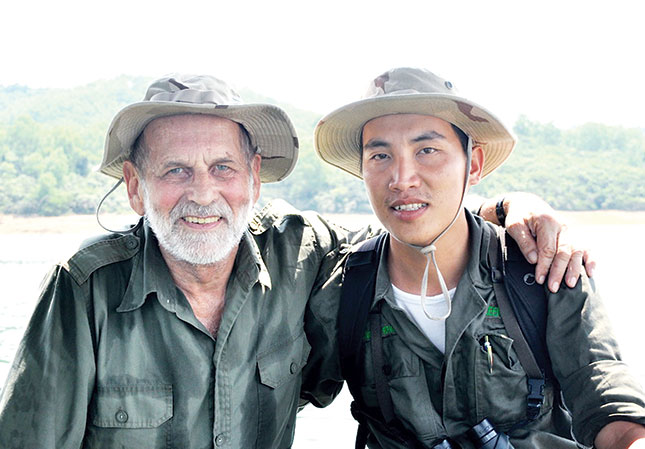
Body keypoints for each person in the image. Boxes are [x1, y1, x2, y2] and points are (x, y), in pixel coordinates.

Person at [0, 73, 591, 449]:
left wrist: (514, 207)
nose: (203, 193)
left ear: (254, 178)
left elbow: (411, 218)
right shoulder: (86, 290)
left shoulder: (303, 253)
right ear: (135, 185)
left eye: (223, 168)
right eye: (175, 170)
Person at [314, 67, 645, 449]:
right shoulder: (342, 289)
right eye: (380, 155)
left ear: (472, 165)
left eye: (427, 150)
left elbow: (607, 400)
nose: (402, 178)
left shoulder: (540, 268)